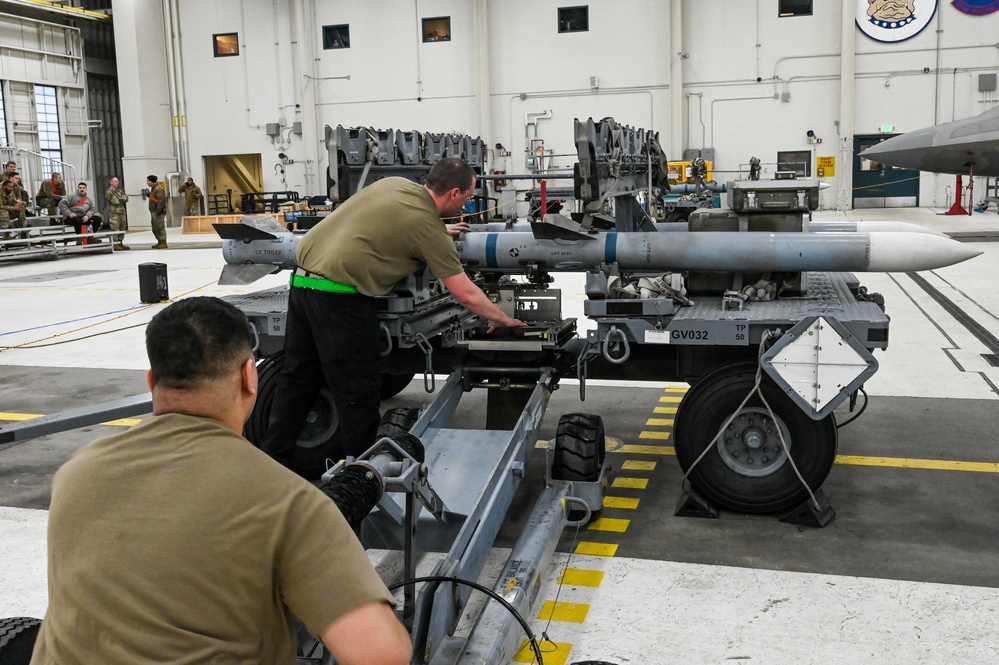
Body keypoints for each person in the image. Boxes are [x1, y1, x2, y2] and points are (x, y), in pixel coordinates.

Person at [30, 297, 411, 665]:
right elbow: (379, 653)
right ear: (250, 376)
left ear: (151, 381)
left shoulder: (77, 472)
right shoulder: (285, 499)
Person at [260, 157, 525, 477]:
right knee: (357, 390)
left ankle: (271, 466)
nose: (467, 203)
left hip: (303, 283)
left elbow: (389, 220)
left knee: (298, 379)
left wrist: (439, 228)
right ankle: (359, 476)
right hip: (340, 296)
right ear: (454, 193)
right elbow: (465, 293)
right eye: (467, 197)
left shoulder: (395, 185)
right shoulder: (426, 227)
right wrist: (502, 317)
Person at [105, 176, 130, 250]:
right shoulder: (109, 192)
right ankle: (115, 244)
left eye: (118, 181)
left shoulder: (120, 191)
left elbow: (127, 198)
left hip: (122, 212)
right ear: (111, 182)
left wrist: (122, 198)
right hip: (114, 213)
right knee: (115, 228)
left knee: (122, 228)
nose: (117, 183)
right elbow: (116, 202)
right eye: (116, 181)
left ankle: (120, 242)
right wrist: (122, 198)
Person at [147, 174, 167, 249]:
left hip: (158, 211)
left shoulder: (158, 189)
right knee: (155, 227)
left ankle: (163, 242)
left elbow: (160, 201)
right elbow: (154, 198)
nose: (147, 182)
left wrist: (158, 211)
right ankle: (159, 241)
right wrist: (148, 195)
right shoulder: (154, 188)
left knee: (160, 226)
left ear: (152, 181)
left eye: (148, 181)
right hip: (154, 211)